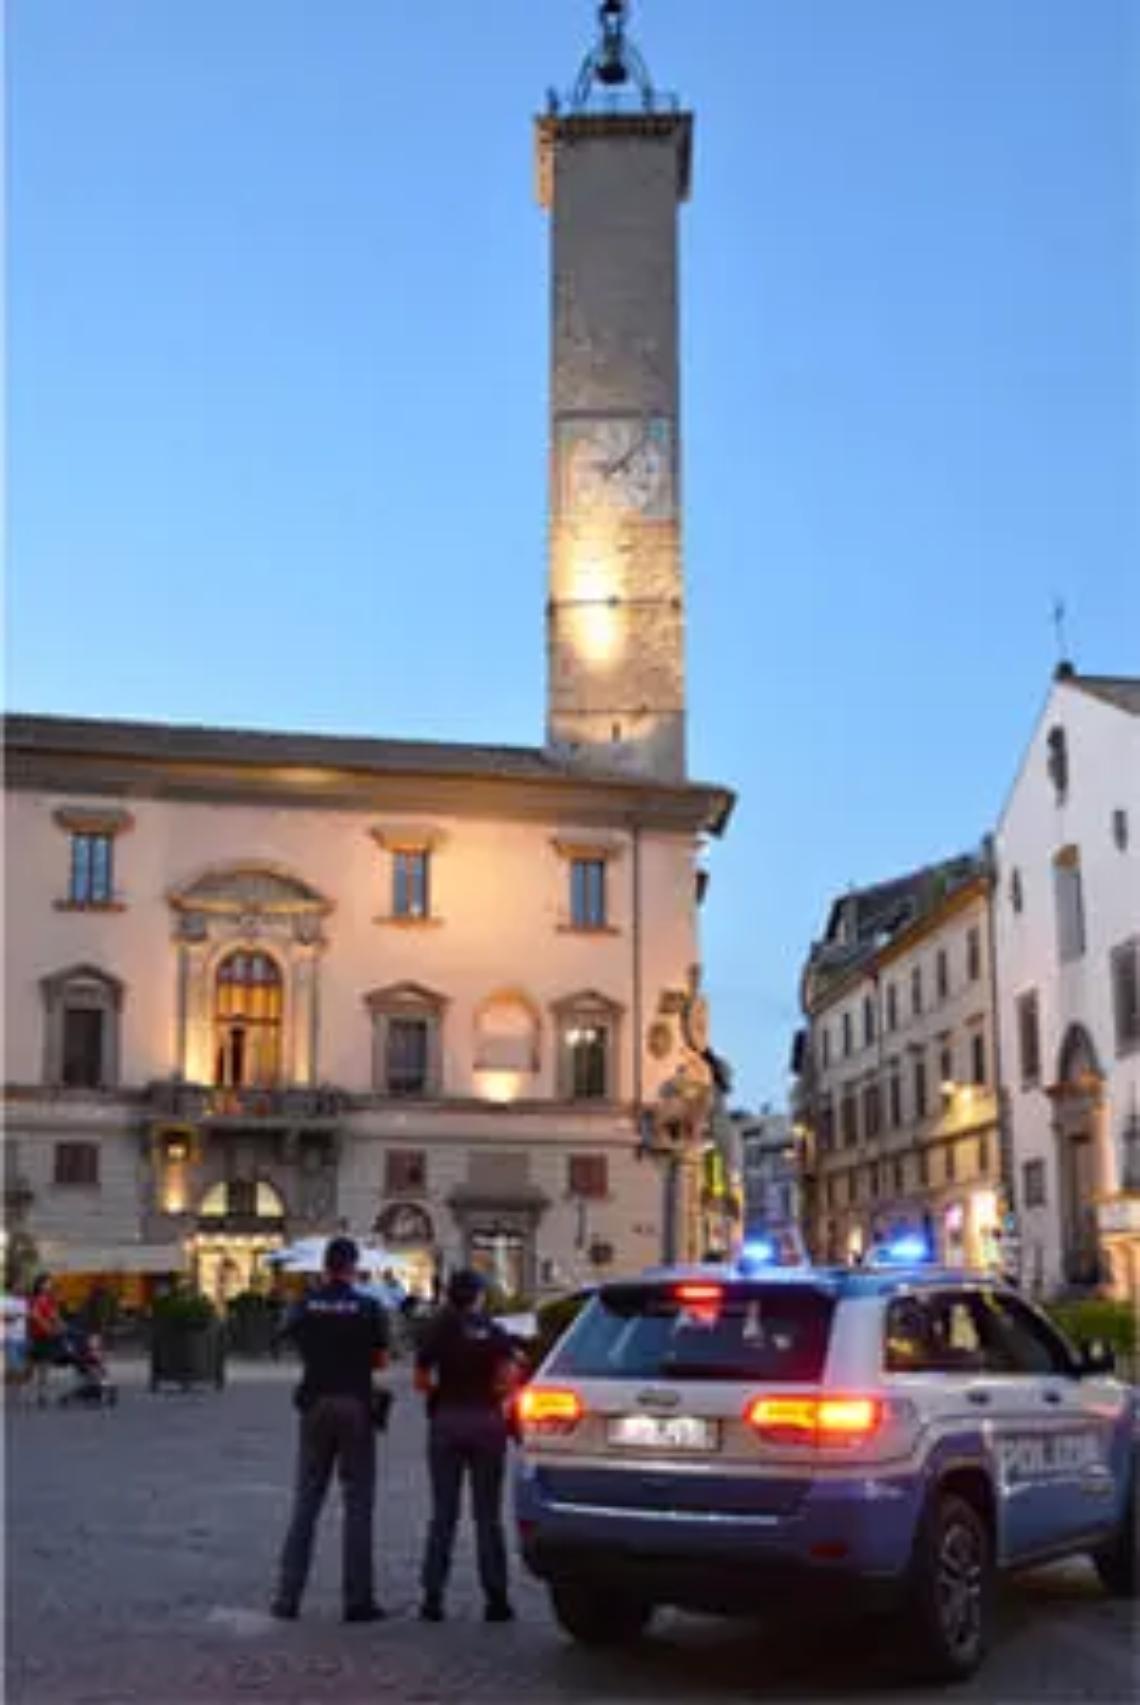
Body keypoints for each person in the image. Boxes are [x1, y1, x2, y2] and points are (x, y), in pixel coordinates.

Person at [271, 1236, 390, 1623]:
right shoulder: (368, 1307)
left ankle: (288, 1596)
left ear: (325, 1267)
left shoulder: (305, 1304)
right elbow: (381, 1359)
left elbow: (287, 1338)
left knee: (306, 1500)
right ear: (354, 1267)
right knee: (358, 1504)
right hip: (355, 1402)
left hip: (316, 1400)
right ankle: (358, 1600)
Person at [415, 1268, 518, 1624]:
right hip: (486, 1422)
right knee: (488, 1516)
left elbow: (421, 1379)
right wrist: (493, 1394)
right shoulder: (495, 1331)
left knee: (443, 1514)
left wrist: (440, 1393)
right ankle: (496, 1599)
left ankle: (432, 1597)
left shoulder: (438, 1329)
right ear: (478, 1296)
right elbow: (508, 1379)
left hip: (447, 1421)